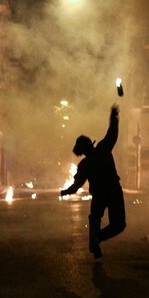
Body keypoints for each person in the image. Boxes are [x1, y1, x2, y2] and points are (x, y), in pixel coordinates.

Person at [60, 104, 126, 258]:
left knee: (95, 217)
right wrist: (114, 117)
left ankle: (94, 239)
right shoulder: (103, 148)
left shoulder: (84, 165)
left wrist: (65, 192)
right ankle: (98, 237)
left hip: (99, 195)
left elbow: (77, 186)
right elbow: (112, 133)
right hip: (113, 191)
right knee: (119, 224)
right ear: (91, 144)